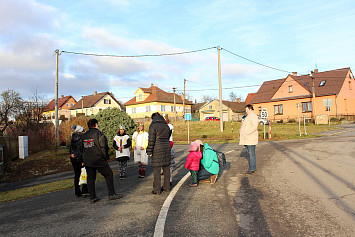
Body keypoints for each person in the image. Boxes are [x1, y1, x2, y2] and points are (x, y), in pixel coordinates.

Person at [80, 118, 122, 204]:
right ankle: (111, 194)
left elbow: (81, 149)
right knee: (108, 174)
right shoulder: (99, 134)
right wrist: (106, 157)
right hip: (98, 159)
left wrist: (83, 159)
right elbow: (103, 147)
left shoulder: (84, 136)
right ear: (96, 124)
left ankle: (92, 197)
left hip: (88, 160)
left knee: (91, 178)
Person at [146, 112, 172, 195]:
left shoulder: (153, 125)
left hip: (157, 148)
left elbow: (151, 140)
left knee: (157, 169)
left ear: (153, 118)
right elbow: (168, 136)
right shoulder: (166, 125)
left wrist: (149, 151)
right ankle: (167, 187)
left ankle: (157, 189)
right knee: (166, 167)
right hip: (166, 147)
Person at [69, 124, 89, 197]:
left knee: (77, 175)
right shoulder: (82, 138)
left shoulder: (72, 138)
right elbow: (82, 149)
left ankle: (77, 191)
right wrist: (83, 159)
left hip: (74, 158)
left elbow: (71, 149)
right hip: (81, 158)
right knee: (85, 173)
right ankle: (85, 190)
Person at [239, 104, 259, 174]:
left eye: (247, 109)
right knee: (250, 154)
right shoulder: (249, 116)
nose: (246, 111)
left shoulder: (253, 116)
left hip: (250, 138)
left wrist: (247, 132)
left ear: (250, 109)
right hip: (247, 138)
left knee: (251, 154)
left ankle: (252, 168)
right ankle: (253, 168)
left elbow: (254, 126)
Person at [164, 115, 175, 186]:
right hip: (164, 144)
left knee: (170, 164)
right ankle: (167, 180)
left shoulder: (170, 126)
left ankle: (169, 180)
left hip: (168, 143)